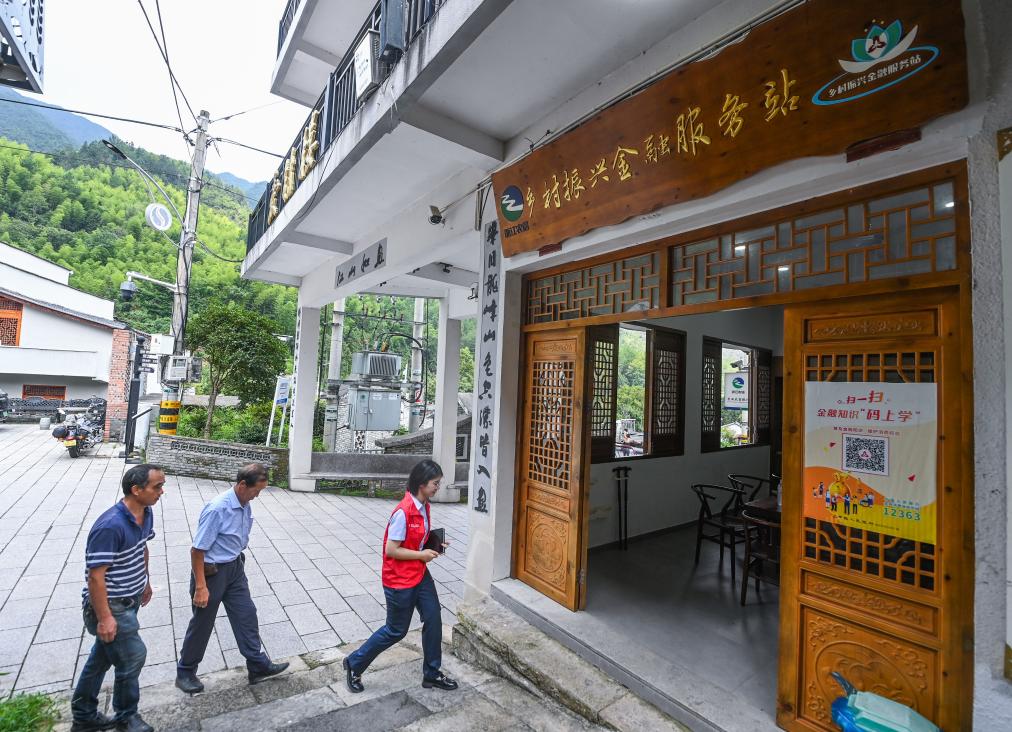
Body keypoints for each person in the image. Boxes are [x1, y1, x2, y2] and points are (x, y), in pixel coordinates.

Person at [343, 459, 458, 694]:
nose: (438, 487)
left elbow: (416, 539)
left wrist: (434, 544)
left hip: (419, 574)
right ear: (422, 484)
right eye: (435, 483)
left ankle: (432, 673)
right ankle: (354, 663)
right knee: (396, 630)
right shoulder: (403, 513)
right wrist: (421, 554)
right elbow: (391, 550)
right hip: (399, 580)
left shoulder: (424, 506)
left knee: (434, 618)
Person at [175, 464, 289, 694]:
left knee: (246, 614)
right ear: (242, 485)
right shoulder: (218, 508)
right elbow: (197, 550)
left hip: (235, 568)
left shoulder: (244, 503)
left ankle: (257, 665)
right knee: (202, 623)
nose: (257, 496)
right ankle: (185, 672)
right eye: (256, 490)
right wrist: (200, 587)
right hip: (212, 572)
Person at [71, 464, 165, 732]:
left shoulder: (146, 512)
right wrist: (104, 618)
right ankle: (126, 716)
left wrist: (145, 581)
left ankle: (83, 716)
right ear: (136, 490)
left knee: (101, 658)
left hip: (131, 599)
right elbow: (95, 577)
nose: (162, 491)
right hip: (111, 605)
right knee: (133, 655)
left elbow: (142, 547)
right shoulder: (110, 526)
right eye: (157, 486)